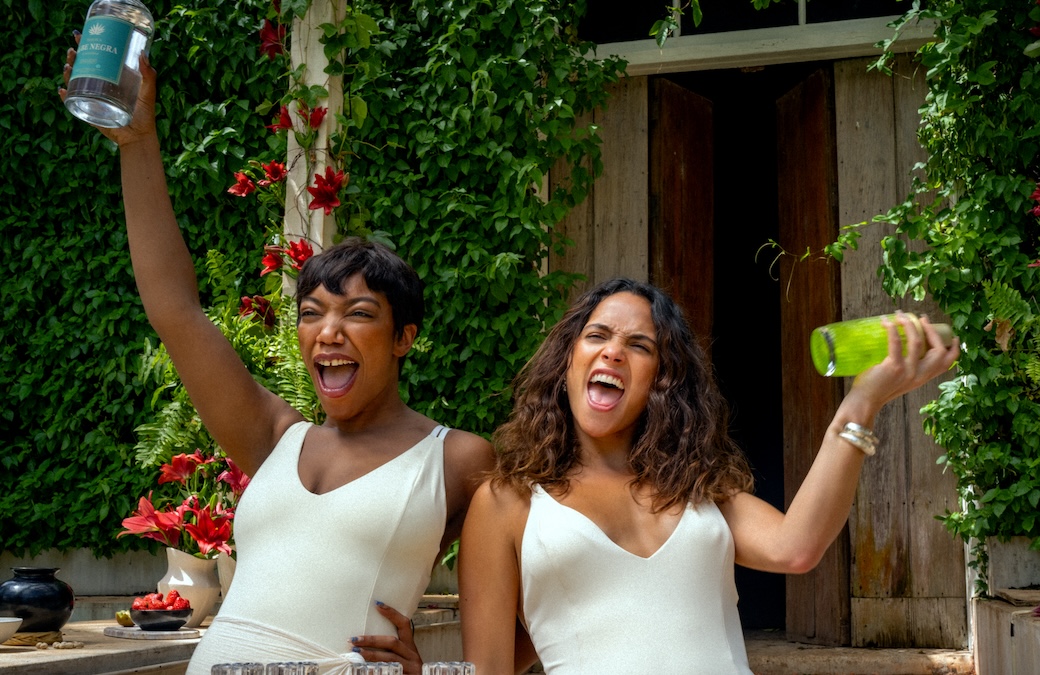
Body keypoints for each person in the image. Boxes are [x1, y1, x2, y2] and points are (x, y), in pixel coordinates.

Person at [61, 47, 493, 674]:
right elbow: (174, 310)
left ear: (405, 338)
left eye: (360, 314)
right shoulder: (273, 439)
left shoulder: (457, 459)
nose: (329, 332)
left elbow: (540, 604)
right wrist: (138, 142)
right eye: (312, 313)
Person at [459, 277, 960, 674]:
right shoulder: (508, 503)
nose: (613, 351)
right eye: (597, 335)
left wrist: (861, 402)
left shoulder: (696, 486)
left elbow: (797, 546)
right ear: (566, 363)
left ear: (661, 381)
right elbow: (489, 669)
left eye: (639, 345)